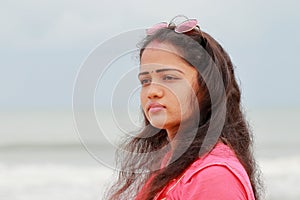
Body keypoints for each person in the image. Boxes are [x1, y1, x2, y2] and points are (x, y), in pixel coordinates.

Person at [106, 15, 262, 200]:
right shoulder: (172, 163)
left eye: (169, 78)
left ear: (208, 86)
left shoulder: (213, 176)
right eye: (145, 81)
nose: (152, 91)